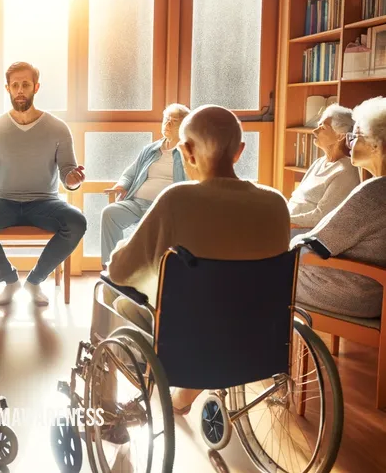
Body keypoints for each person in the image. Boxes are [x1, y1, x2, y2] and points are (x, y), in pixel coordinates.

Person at [104, 105, 290, 420]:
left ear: (187, 152)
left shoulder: (177, 200)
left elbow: (121, 271)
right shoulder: (276, 203)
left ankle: (115, 403)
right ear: (240, 151)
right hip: (259, 336)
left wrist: (122, 250)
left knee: (110, 291)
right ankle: (185, 395)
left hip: (188, 340)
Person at [0, 62, 87, 306]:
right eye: (15, 85)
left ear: (36, 87)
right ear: (7, 88)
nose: (20, 90)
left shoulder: (58, 128)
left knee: (77, 221)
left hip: (46, 203)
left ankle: (35, 281)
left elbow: (68, 172)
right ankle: (9, 280)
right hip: (3, 202)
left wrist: (72, 181)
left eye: (25, 84)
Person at [293, 96, 386, 319]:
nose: (350, 143)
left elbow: (319, 244)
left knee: (261, 273)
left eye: (356, 136)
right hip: (370, 289)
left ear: (376, 144)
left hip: (354, 293)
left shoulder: (373, 192)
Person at [100, 103, 190, 267]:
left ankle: (146, 270)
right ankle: (111, 266)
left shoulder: (188, 153)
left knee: (154, 235)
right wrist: (120, 186)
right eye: (165, 119)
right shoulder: (150, 149)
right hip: (136, 203)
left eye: (174, 121)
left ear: (185, 125)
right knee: (110, 213)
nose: (167, 124)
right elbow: (130, 173)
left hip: (164, 208)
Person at [288, 104, 360, 235]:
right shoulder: (319, 163)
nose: (315, 131)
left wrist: (280, 220)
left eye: (323, 128)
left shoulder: (346, 171)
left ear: (340, 136)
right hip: (287, 223)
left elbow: (321, 217)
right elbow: (296, 199)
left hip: (306, 232)